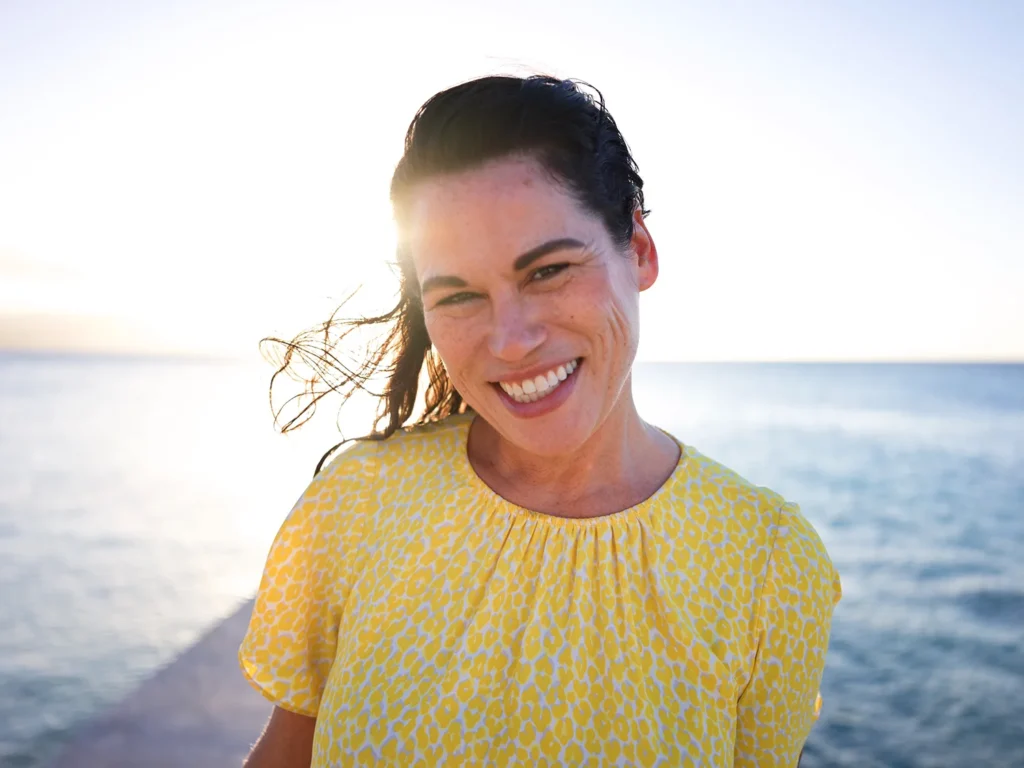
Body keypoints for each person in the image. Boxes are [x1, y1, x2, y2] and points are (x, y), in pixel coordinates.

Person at [238, 74, 841, 768]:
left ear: (638, 250)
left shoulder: (765, 560)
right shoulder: (357, 502)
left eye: (548, 270)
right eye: (460, 295)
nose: (511, 340)